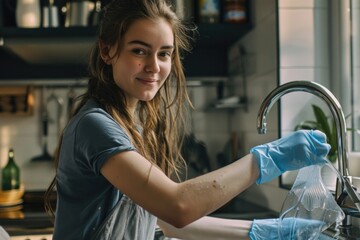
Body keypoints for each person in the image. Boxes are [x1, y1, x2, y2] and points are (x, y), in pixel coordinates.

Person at [44, 0, 331, 239]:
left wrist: (260, 231)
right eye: (139, 50)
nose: (154, 66)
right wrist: (265, 160)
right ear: (108, 51)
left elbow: (161, 218)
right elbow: (177, 205)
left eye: (164, 53)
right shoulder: (96, 125)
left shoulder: (132, 126)